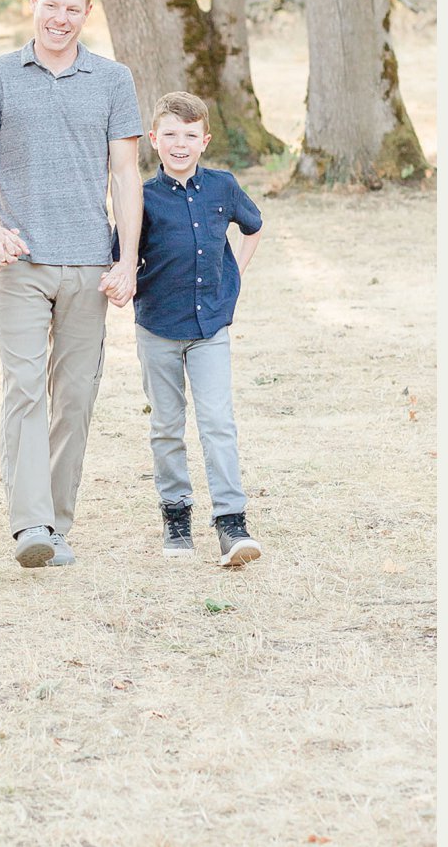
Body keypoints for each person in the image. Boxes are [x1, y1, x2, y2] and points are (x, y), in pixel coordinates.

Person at [0, 0, 143, 569]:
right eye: (52, 4)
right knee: (23, 391)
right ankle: (30, 527)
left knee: (74, 397)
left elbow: (125, 173)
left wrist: (128, 259)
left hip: (91, 263)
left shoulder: (114, 80)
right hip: (20, 260)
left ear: (86, 14)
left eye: (73, 8)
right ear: (33, 1)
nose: (60, 18)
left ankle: (57, 524)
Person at [123, 91, 265, 566]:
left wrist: (236, 274)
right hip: (159, 326)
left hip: (210, 327)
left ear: (204, 140)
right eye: (170, 135)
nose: (179, 144)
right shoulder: (140, 197)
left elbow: (253, 227)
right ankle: (176, 515)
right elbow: (123, 254)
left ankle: (231, 522)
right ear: (153, 140)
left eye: (189, 136)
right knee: (166, 426)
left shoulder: (223, 187)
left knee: (218, 423)